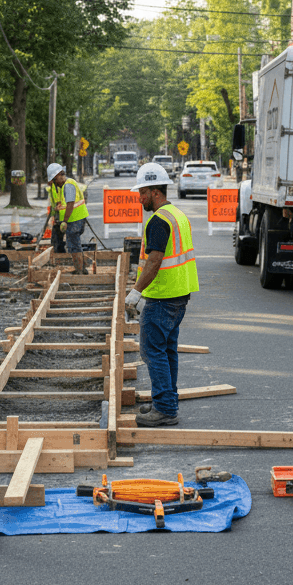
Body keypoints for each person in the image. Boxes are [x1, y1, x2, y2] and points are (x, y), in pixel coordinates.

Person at [124, 163, 199, 427]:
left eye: (142, 192)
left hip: (162, 297)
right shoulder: (177, 215)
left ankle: (165, 408)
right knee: (167, 351)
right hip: (179, 295)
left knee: (153, 352)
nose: (140, 197)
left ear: (155, 192)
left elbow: (154, 261)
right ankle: (165, 401)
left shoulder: (158, 221)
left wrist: (136, 292)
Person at [41, 162, 89, 274]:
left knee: (74, 245)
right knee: (74, 244)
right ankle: (81, 269)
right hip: (76, 218)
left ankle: (80, 271)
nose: (54, 183)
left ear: (58, 175)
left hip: (74, 219)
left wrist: (65, 221)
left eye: (54, 180)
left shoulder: (68, 185)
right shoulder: (67, 184)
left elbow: (71, 204)